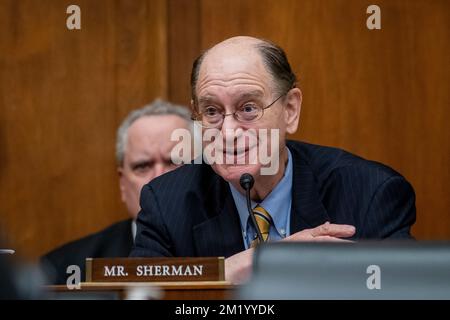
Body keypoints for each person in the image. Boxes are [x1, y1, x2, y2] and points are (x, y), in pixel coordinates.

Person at [130, 36, 416, 284]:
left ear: (290, 110)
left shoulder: (369, 192)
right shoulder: (167, 203)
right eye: (212, 112)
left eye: (249, 108)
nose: (228, 133)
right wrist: (237, 268)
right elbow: (140, 290)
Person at [41, 99, 192, 284]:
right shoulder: (63, 270)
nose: (158, 179)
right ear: (122, 183)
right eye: (143, 166)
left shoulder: (234, 258)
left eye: (174, 162)